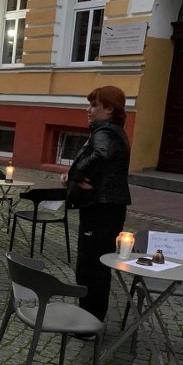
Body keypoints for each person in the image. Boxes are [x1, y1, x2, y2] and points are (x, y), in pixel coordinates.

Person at [60, 86, 131, 324]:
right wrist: (74, 175)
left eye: (94, 105)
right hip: (107, 207)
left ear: (109, 109)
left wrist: (77, 174)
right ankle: (91, 318)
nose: (88, 110)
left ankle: (89, 323)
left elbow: (101, 155)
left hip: (102, 210)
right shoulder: (112, 131)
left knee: (91, 267)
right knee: (96, 265)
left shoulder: (106, 132)